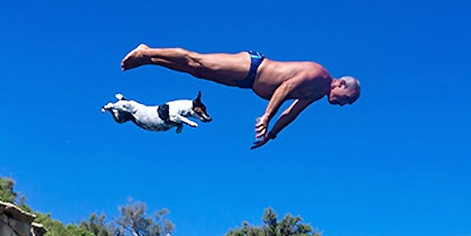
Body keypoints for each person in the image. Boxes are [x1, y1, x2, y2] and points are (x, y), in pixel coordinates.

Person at [121, 44, 361, 149]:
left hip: (246, 83)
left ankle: (149, 60)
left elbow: (291, 112)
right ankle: (147, 51)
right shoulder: (318, 75)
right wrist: (266, 116)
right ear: (340, 84)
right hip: (252, 67)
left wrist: (272, 134)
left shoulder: (318, 94)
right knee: (197, 60)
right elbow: (285, 88)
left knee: (197, 72)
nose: (342, 104)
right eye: (346, 99)